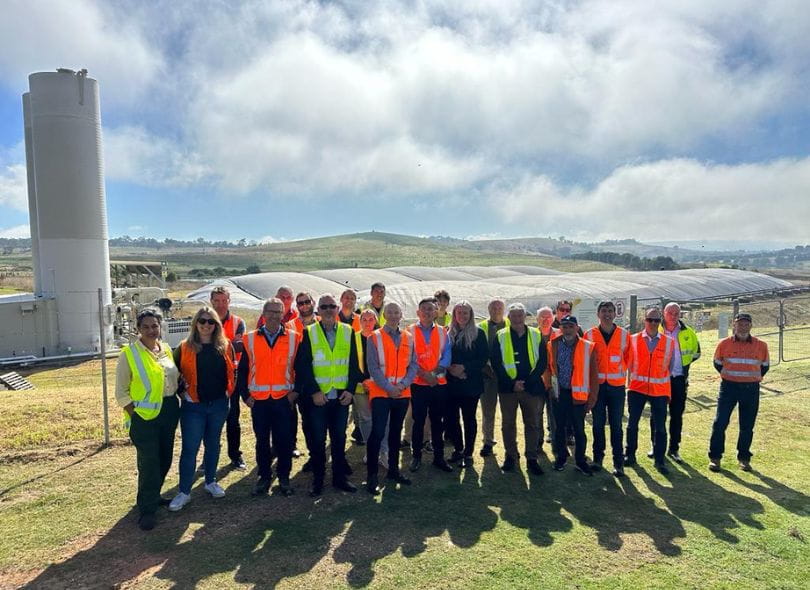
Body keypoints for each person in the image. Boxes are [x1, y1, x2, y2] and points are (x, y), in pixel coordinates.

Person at [115, 309, 180, 531]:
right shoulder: (129, 354)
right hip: (143, 417)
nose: (151, 330)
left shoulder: (166, 350)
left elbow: (172, 380)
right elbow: (121, 391)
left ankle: (154, 494)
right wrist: (135, 414)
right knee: (149, 462)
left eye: (155, 326)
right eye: (146, 327)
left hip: (169, 410)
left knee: (165, 458)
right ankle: (146, 509)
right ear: (138, 329)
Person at [169, 307, 236, 511]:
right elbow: (174, 375)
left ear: (216, 325)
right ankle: (184, 492)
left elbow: (233, 371)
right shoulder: (184, 347)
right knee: (190, 448)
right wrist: (183, 395)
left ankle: (210, 481)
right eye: (202, 321)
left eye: (211, 322)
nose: (206, 325)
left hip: (218, 405)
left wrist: (228, 392)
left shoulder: (225, 346)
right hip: (193, 407)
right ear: (195, 323)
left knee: (213, 444)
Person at [294, 293, 360, 496]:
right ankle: (318, 480)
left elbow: (354, 366)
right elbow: (303, 367)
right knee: (317, 440)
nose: (329, 310)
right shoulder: (309, 333)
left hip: (340, 398)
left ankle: (340, 479)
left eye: (332, 306)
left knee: (339, 439)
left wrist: (350, 391)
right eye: (324, 307)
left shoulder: (348, 331)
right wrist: (314, 392)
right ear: (318, 311)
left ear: (337, 308)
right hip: (319, 399)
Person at [236, 298, 301, 497]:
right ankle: (264, 477)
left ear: (283, 315)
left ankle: (284, 478)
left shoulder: (294, 338)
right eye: (270, 311)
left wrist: (295, 393)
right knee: (262, 441)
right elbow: (243, 370)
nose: (273, 316)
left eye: (278, 312)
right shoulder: (250, 339)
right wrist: (245, 396)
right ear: (263, 313)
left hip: (283, 399)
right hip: (260, 401)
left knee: (284, 441)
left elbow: (302, 369)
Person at [365, 301, 419, 494]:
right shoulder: (374, 337)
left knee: (396, 433)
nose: (394, 315)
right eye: (390, 312)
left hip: (402, 394)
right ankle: (372, 476)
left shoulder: (409, 337)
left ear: (401, 315)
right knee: (378, 433)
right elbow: (372, 366)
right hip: (381, 393)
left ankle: (394, 471)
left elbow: (414, 364)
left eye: (397, 312)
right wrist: (388, 387)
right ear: (385, 316)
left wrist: (403, 385)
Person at [708, 313, 770, 472]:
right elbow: (717, 363)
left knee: (747, 426)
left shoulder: (761, 345)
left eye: (746, 324)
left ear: (751, 326)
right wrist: (730, 375)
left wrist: (752, 377)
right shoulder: (724, 344)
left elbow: (765, 366)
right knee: (720, 422)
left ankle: (744, 458)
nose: (743, 327)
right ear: (734, 325)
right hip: (729, 388)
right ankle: (715, 458)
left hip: (751, 389)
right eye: (740, 324)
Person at [491, 303, 547, 476]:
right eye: (513, 315)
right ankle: (510, 456)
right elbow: (496, 363)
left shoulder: (537, 335)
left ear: (525, 316)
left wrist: (528, 382)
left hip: (531, 388)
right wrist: (512, 383)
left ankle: (531, 458)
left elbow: (542, 362)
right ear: (509, 317)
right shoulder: (500, 336)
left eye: (520, 315)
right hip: (508, 389)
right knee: (508, 424)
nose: (517, 318)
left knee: (532, 423)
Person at [624, 307, 678, 475]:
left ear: (660, 321)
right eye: (650, 320)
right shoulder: (633, 340)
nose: (653, 323)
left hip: (659, 391)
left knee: (660, 427)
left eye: (656, 320)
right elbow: (627, 364)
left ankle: (660, 460)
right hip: (637, 389)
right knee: (632, 425)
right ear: (644, 321)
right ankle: (630, 455)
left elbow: (671, 366)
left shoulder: (669, 342)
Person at [648, 302, 701, 463]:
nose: (673, 316)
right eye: (670, 313)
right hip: (660, 381)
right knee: (657, 415)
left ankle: (674, 448)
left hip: (678, 380)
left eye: (676, 313)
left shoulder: (688, 333)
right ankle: (655, 446)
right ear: (664, 313)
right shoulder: (655, 329)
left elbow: (696, 353)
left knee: (677, 415)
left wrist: (682, 368)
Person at [583, 301, 631, 476]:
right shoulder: (589, 334)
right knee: (597, 424)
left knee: (616, 425)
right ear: (598, 314)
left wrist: (618, 371)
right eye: (604, 311)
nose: (607, 314)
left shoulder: (624, 335)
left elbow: (629, 358)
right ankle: (598, 459)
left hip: (617, 388)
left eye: (610, 311)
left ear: (615, 313)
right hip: (597, 388)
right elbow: (586, 361)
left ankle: (618, 462)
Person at [547, 315, 599, 475]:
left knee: (579, 430)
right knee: (559, 428)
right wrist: (549, 387)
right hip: (559, 393)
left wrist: (592, 398)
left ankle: (580, 461)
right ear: (560, 328)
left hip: (578, 396)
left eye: (571, 326)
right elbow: (548, 368)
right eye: (564, 326)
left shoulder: (588, 347)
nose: (567, 329)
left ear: (577, 328)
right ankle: (561, 457)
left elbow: (593, 375)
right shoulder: (552, 345)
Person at [407, 298, 453, 473]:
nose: (427, 312)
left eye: (430, 309)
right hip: (418, 384)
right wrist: (424, 374)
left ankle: (439, 457)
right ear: (418, 312)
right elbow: (408, 357)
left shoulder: (443, 332)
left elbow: (446, 356)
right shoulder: (409, 331)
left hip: (438, 384)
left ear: (436, 312)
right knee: (418, 421)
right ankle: (416, 456)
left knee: (437, 421)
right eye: (424, 309)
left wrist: (434, 375)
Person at [446, 300, 490, 468]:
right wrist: (451, 369)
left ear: (471, 315)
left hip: (470, 384)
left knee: (469, 419)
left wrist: (465, 368)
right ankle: (458, 449)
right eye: (459, 313)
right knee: (452, 419)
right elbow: (443, 355)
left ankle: (468, 453)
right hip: (451, 384)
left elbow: (483, 358)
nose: (462, 316)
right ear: (454, 315)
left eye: (465, 313)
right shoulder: (448, 333)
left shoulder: (478, 333)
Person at [210, 286, 247, 470]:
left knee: (233, 419)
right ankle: (209, 457)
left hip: (233, 376)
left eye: (224, 300)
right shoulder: (205, 320)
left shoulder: (238, 322)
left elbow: (240, 346)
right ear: (211, 302)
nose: (220, 305)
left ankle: (235, 455)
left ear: (229, 301)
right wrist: (229, 345)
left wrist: (216, 346)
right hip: (211, 378)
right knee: (212, 420)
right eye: (217, 301)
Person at [478, 299, 508, 457]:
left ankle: (510, 444)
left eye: (499, 307)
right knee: (488, 411)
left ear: (504, 310)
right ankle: (488, 442)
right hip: (487, 377)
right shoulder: (481, 327)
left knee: (508, 413)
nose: (496, 310)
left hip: (506, 377)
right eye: (493, 307)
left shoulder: (511, 324)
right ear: (488, 309)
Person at [537, 306, 559, 449]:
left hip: (555, 381)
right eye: (542, 317)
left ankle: (557, 443)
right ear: (537, 319)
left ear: (553, 318)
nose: (545, 320)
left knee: (555, 414)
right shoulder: (531, 334)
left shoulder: (560, 334)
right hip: (537, 381)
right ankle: (537, 442)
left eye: (548, 317)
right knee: (536, 414)